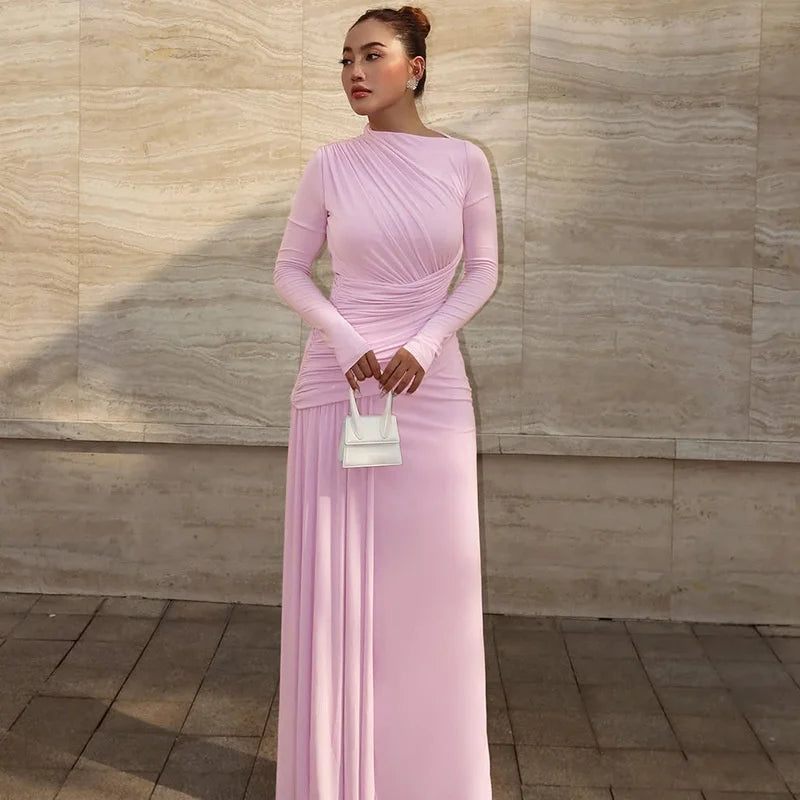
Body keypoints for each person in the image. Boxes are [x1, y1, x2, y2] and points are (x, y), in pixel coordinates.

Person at [272, 5, 499, 798]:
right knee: (339, 596)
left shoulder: (465, 161)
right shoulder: (330, 164)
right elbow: (289, 270)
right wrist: (343, 341)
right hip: (337, 387)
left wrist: (427, 344)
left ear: (416, 67)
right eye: (345, 60)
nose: (354, 73)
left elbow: (483, 271)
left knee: (432, 593)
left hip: (430, 392)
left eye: (371, 55)